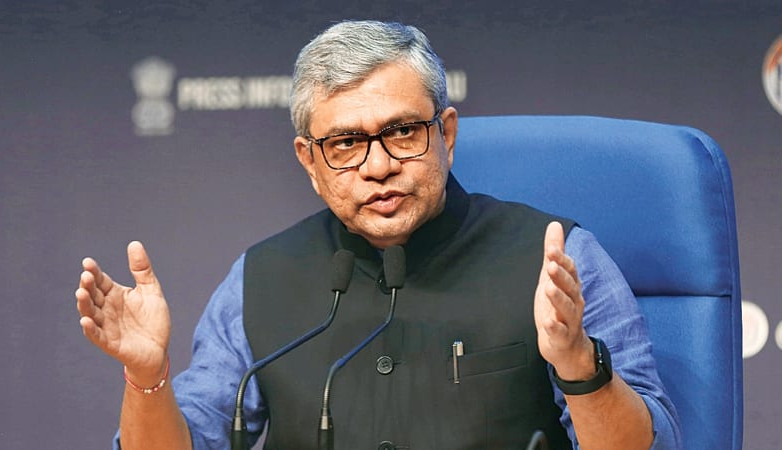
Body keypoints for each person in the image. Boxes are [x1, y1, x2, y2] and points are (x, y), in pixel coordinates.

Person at [75, 20, 681, 449]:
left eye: (401, 132)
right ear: (309, 163)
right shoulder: (259, 280)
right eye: (344, 144)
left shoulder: (555, 261)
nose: (377, 165)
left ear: (446, 133)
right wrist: (146, 375)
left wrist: (580, 364)